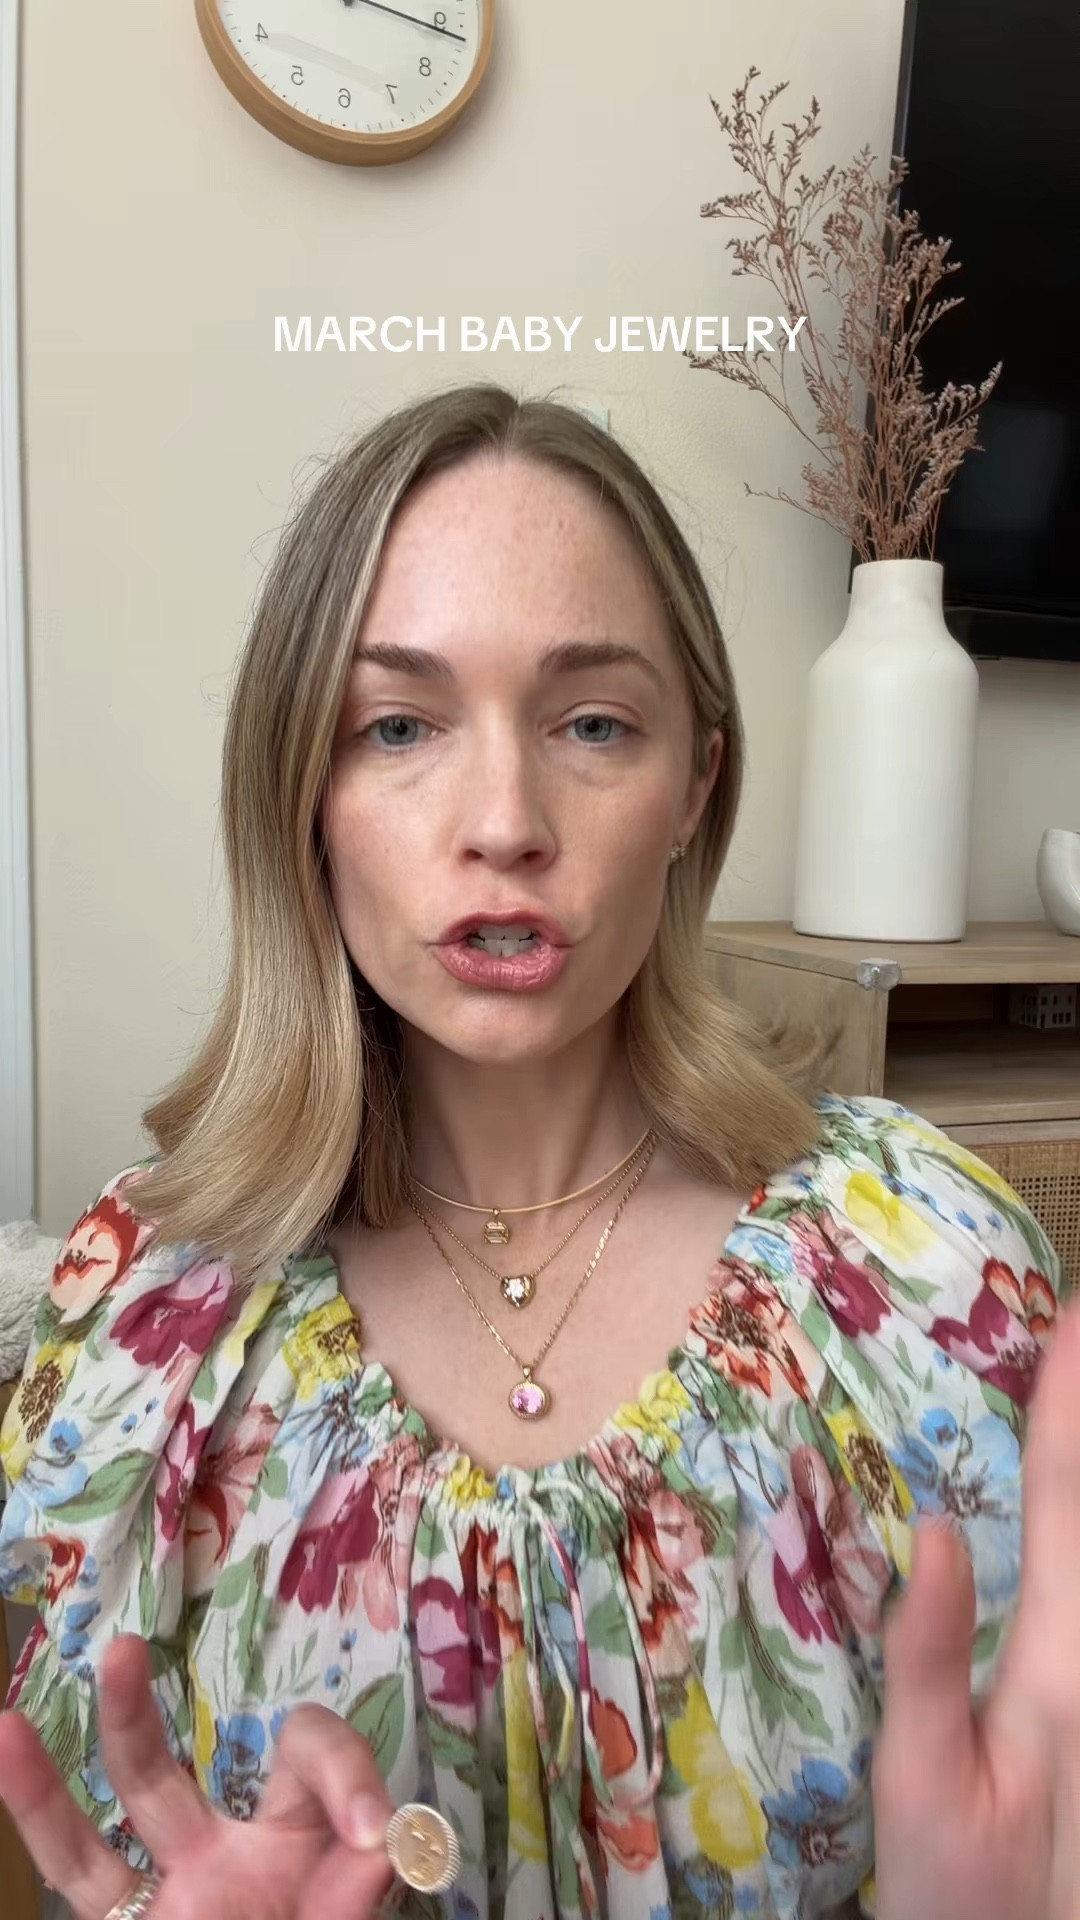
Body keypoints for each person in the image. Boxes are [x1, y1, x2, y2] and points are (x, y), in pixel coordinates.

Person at [0, 383, 1073, 1920]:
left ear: (696, 787)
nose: (505, 820)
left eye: (592, 724)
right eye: (398, 726)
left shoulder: (924, 1274)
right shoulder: (142, 1327)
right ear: (302, 795)